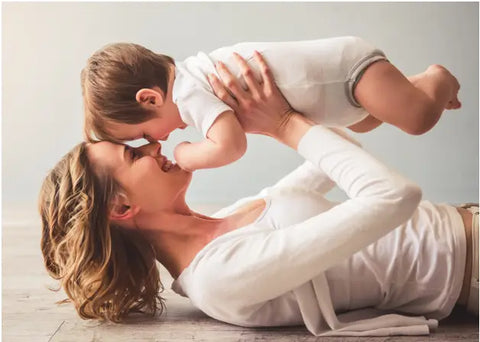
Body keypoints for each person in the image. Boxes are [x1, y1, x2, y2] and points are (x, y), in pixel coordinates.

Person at [40, 54, 477, 336]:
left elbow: (341, 148)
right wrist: (285, 125)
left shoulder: (225, 220)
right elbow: (395, 197)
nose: (155, 145)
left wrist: (256, 107)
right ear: (121, 207)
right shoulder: (219, 276)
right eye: (134, 154)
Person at [81, 37, 461, 172]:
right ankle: (408, 86)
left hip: (347, 73)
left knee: (416, 120)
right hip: (342, 99)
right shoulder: (193, 79)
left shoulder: (188, 91)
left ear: (150, 98)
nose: (158, 141)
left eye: (145, 132)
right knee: (369, 121)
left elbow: (230, 147)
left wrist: (185, 155)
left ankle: (434, 79)